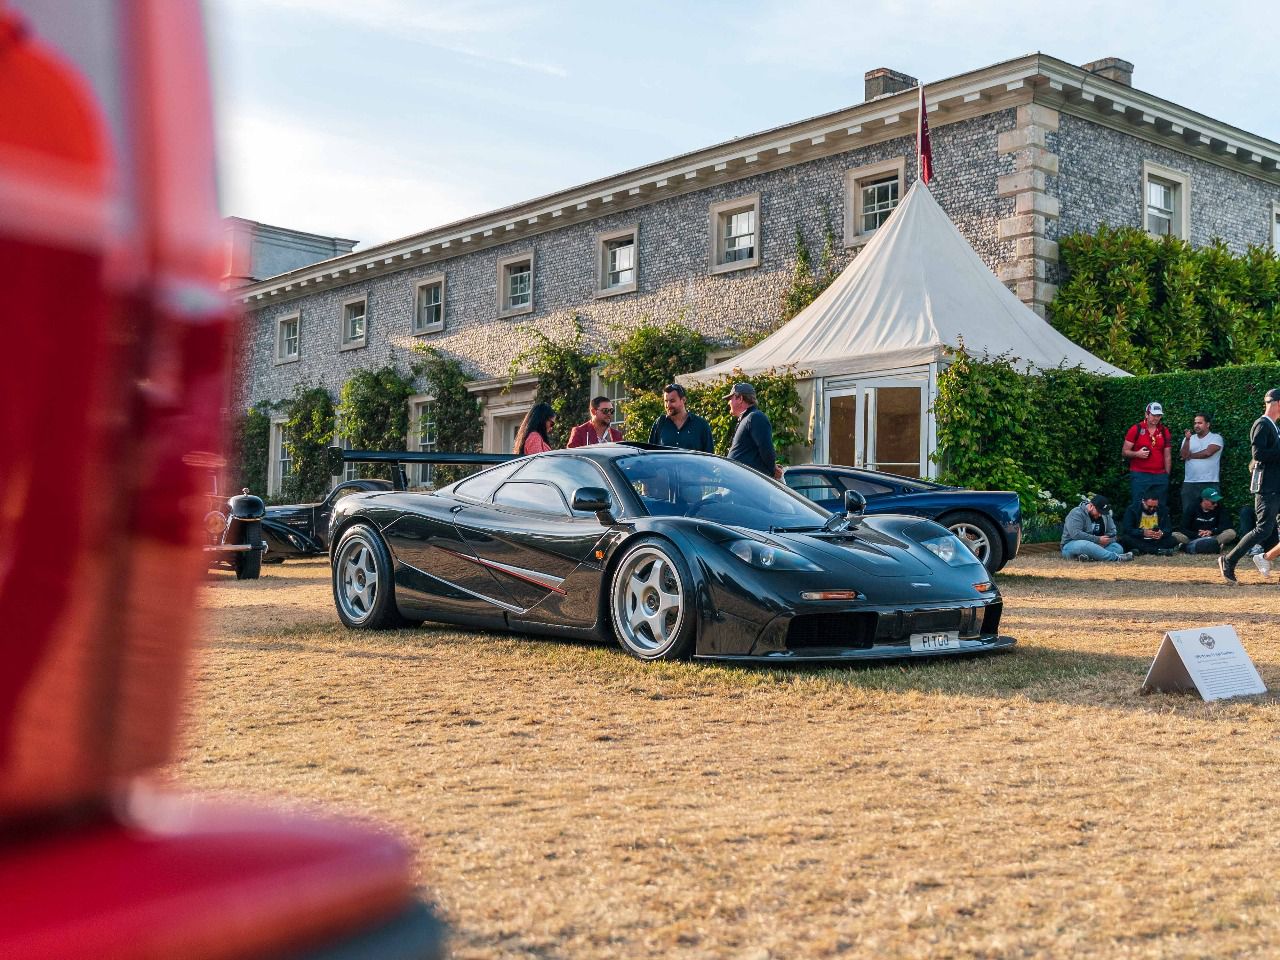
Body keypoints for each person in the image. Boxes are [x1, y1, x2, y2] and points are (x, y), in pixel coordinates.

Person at [1220, 387, 1280, 583]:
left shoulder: (1274, 426)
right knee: (1262, 529)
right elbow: (1258, 455)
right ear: (1278, 403)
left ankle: (1264, 559)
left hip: (1275, 486)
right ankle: (1228, 560)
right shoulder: (1262, 425)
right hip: (1267, 487)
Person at [1122, 401, 1172, 508]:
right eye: (1153, 415)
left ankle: (1158, 526)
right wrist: (1137, 454)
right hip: (1140, 475)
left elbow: (1167, 455)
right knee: (1138, 506)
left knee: (1160, 507)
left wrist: (1166, 475)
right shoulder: (1136, 429)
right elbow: (1125, 452)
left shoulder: (1164, 431)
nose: (1156, 418)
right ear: (1146, 414)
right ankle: (1137, 525)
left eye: (1159, 415)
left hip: (1160, 476)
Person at [1060, 495, 1133, 562]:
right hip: (1071, 546)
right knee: (1086, 545)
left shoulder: (1105, 514)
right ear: (1091, 506)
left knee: (1117, 547)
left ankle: (1088, 557)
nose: (1100, 514)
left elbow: (1113, 533)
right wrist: (1097, 540)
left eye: (1103, 512)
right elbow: (1076, 534)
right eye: (1099, 511)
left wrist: (1107, 541)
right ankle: (1117, 558)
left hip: (1099, 545)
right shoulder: (1076, 513)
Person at [724, 382, 776, 476]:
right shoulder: (747, 418)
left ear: (740, 398)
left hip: (747, 483)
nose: (729, 402)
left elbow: (766, 450)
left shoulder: (755, 417)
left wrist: (772, 472)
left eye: (730, 398)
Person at [1179, 412, 1224, 514]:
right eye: (1195, 423)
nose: (1196, 425)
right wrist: (1187, 440)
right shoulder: (1188, 439)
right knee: (1188, 512)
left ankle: (1211, 530)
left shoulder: (1216, 438)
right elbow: (1183, 455)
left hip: (1210, 481)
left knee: (1212, 512)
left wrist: (1190, 456)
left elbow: (1208, 452)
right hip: (1190, 482)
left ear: (1207, 424)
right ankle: (1189, 530)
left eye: (1200, 423)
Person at [648, 383, 714, 452]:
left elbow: (710, 457)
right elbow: (650, 455)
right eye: (666, 401)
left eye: (672, 401)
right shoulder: (659, 423)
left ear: (683, 400)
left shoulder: (701, 425)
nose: (668, 405)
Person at [1172, 487, 1236, 554]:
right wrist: (1198, 534)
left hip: (1213, 537)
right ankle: (1211, 546)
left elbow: (1226, 525)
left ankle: (1193, 545)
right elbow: (1183, 528)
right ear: (1204, 500)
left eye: (1216, 502)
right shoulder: (1192, 507)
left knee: (1231, 533)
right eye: (1213, 502)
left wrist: (1211, 531)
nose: (1216, 504)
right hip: (1193, 537)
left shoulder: (1220, 507)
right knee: (1174, 535)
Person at [1120, 487, 1178, 555]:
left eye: (1155, 507)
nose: (1152, 509)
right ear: (1143, 501)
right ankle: (1158, 551)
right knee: (1125, 539)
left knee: (1172, 539)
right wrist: (1142, 532)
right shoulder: (1132, 509)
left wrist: (1161, 533)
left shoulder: (1163, 509)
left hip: (1156, 540)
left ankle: (1142, 550)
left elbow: (1168, 529)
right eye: (1149, 506)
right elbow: (1127, 529)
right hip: (1140, 539)